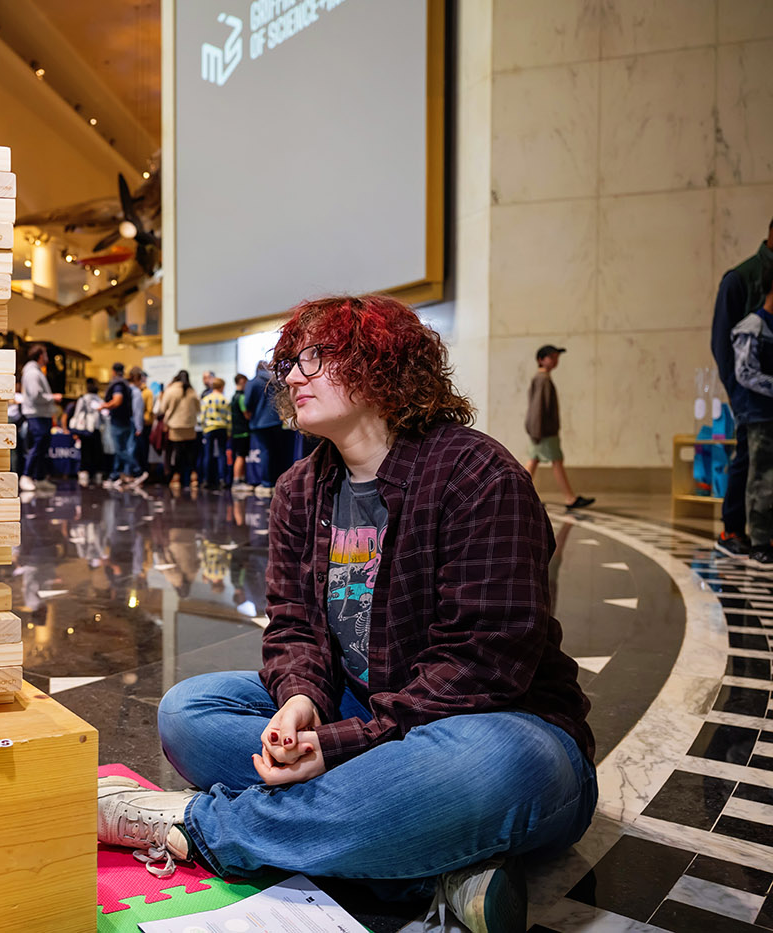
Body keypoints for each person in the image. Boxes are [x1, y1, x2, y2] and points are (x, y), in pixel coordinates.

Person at [97, 295, 596, 933]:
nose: (294, 376)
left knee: (490, 765)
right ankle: (429, 865)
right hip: (365, 715)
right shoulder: (301, 488)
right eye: (289, 363)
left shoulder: (478, 475)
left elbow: (481, 669)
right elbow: (294, 627)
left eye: (315, 357)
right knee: (188, 713)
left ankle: (195, 827)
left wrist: (336, 747)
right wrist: (301, 699)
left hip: (499, 726)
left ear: (382, 364)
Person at [711, 220, 773, 556]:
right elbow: (723, 346)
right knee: (751, 459)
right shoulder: (741, 279)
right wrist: (739, 396)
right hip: (751, 398)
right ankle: (733, 528)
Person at [523, 346, 594, 511]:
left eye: (556, 358)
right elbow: (538, 408)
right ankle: (569, 498)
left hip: (541, 431)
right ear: (541, 359)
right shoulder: (543, 379)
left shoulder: (542, 378)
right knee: (554, 461)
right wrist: (537, 431)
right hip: (543, 432)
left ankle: (523, 494)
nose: (555, 361)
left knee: (535, 461)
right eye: (551, 357)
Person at [732, 284, 773, 563]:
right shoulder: (753, 326)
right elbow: (744, 372)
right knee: (762, 478)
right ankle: (759, 540)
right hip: (759, 415)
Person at [19, 344, 61, 493]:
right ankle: (26, 476)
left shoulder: (35, 372)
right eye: (45, 354)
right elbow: (36, 395)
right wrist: (52, 397)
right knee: (37, 447)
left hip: (41, 414)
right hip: (37, 415)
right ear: (41, 356)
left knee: (42, 447)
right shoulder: (33, 373)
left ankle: (40, 478)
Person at [103, 362, 144, 487]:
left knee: (119, 450)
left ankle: (137, 470)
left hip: (118, 422)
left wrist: (104, 406)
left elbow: (117, 400)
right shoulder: (127, 386)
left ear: (113, 372)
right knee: (122, 449)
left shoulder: (118, 385)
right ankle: (117, 475)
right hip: (127, 421)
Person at [157, 370, 200, 489]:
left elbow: (162, 408)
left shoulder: (170, 391)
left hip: (175, 426)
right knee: (191, 452)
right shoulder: (192, 391)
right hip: (190, 425)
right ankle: (193, 476)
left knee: (178, 452)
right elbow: (198, 408)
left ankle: (177, 477)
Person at [243, 360, 280, 497]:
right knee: (276, 452)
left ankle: (266, 482)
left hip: (259, 422)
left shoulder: (253, 382)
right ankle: (276, 481)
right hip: (275, 421)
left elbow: (247, 403)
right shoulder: (274, 382)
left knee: (265, 451)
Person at [69, 377, 105, 487]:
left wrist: (75, 430)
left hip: (85, 430)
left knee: (85, 453)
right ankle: (97, 476)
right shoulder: (100, 400)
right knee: (97, 453)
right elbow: (104, 416)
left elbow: (77, 414)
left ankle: (84, 477)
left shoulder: (83, 399)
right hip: (96, 429)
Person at [201, 377, 231, 490]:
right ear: (222, 386)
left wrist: (204, 429)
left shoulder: (206, 399)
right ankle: (222, 479)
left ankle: (207, 480)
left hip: (209, 428)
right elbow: (229, 417)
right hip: (222, 427)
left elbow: (203, 416)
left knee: (207, 454)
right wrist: (228, 431)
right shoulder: (225, 400)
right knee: (222, 453)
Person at [229, 373, 251, 494]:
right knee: (241, 456)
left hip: (236, 431)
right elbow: (246, 414)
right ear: (242, 381)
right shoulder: (241, 397)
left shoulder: (233, 397)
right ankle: (237, 481)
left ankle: (241, 480)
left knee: (240, 455)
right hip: (242, 431)